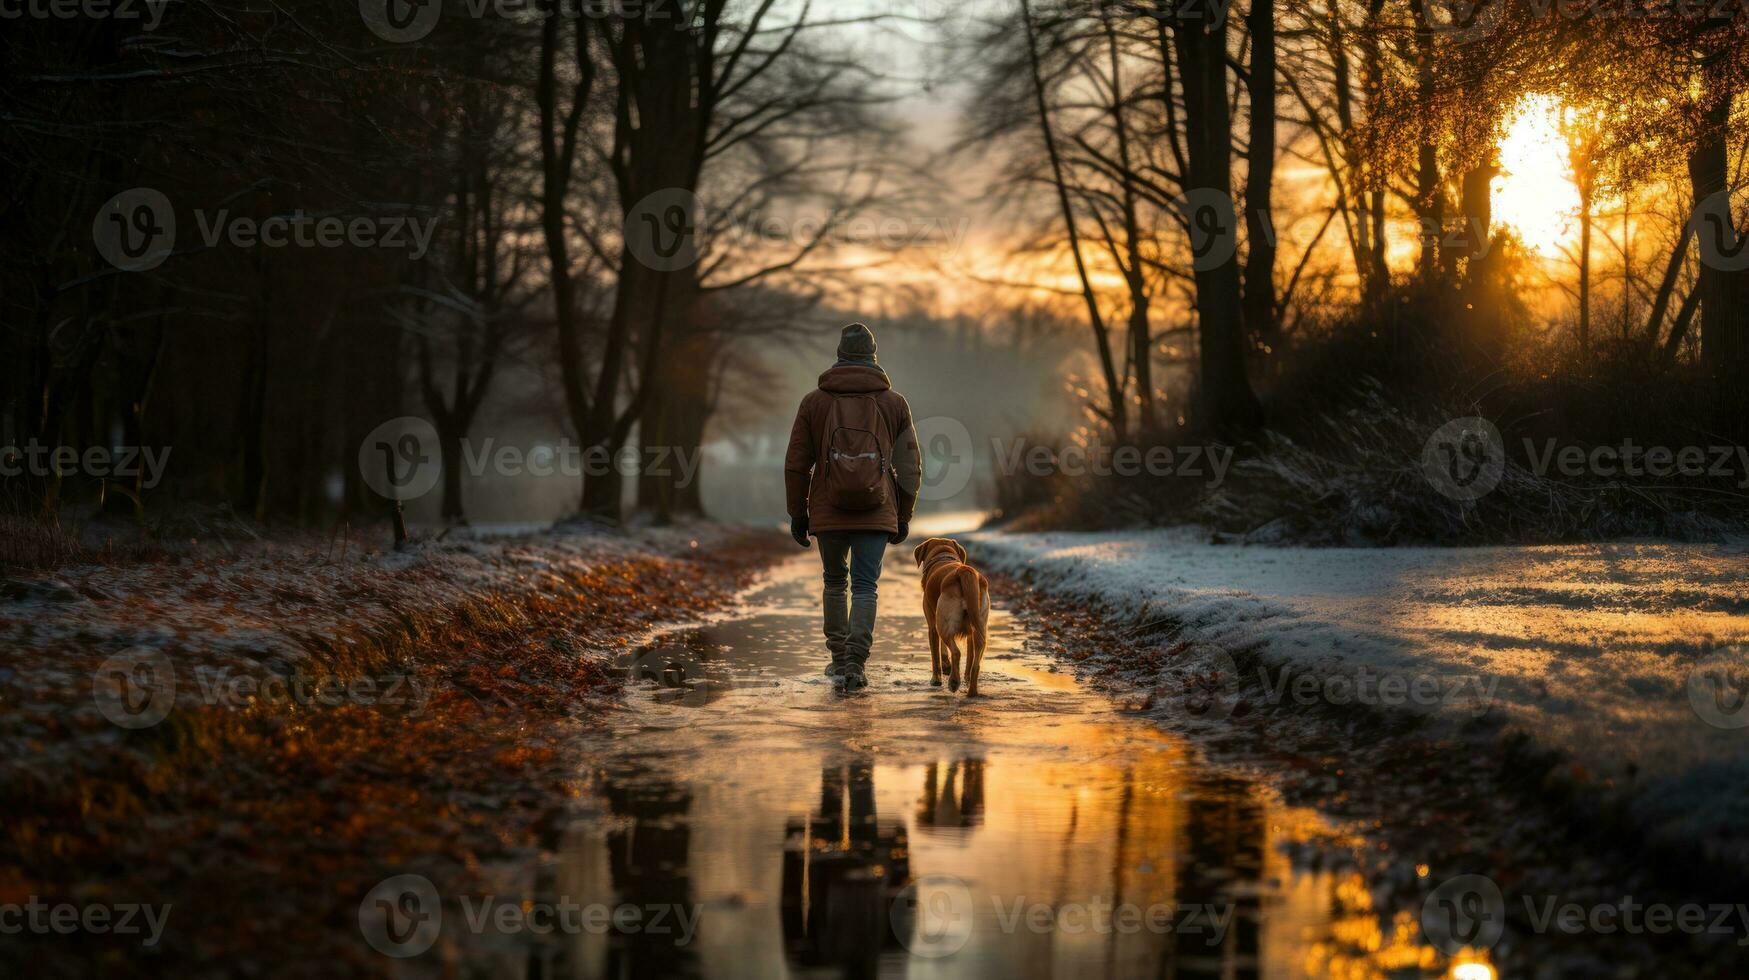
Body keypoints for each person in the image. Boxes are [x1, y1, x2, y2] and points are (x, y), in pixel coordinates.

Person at [784, 322, 921, 690]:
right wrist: (903, 515)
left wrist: (798, 513)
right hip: (876, 511)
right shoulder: (894, 403)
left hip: (828, 510)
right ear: (873, 356)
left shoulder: (815, 401)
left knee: (833, 582)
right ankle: (856, 663)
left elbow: (798, 463)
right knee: (865, 586)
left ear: (840, 354)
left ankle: (839, 659)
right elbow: (910, 466)